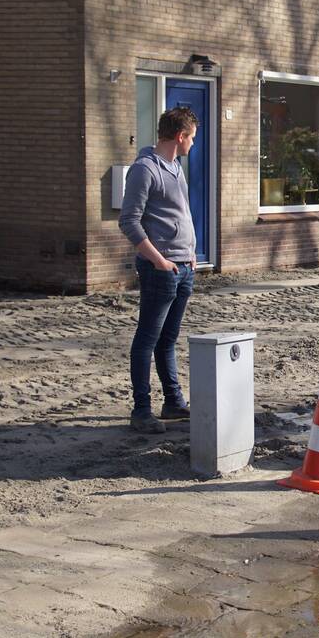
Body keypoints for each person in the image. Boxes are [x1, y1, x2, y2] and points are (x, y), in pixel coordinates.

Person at [118, 107, 199, 434]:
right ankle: (141, 410)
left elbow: (179, 214)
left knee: (168, 339)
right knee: (147, 339)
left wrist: (189, 254)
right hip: (161, 270)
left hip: (183, 267)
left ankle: (173, 402)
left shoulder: (175, 167)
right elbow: (129, 222)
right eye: (192, 137)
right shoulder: (144, 170)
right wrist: (158, 261)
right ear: (180, 136)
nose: (194, 143)